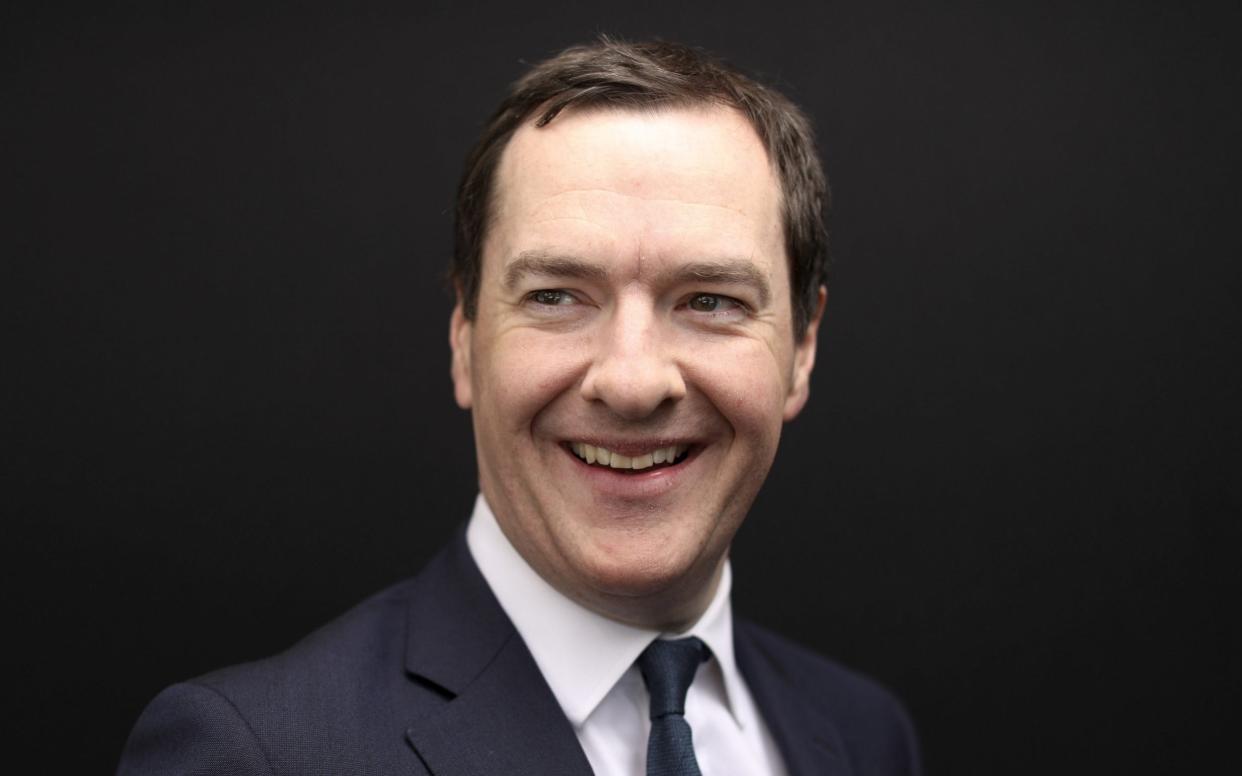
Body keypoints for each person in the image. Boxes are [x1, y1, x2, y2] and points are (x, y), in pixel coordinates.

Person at [117, 38, 922, 776]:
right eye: (557, 296)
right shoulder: (254, 755)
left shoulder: (862, 736)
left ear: (803, 348)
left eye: (709, 300)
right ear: (465, 337)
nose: (634, 381)